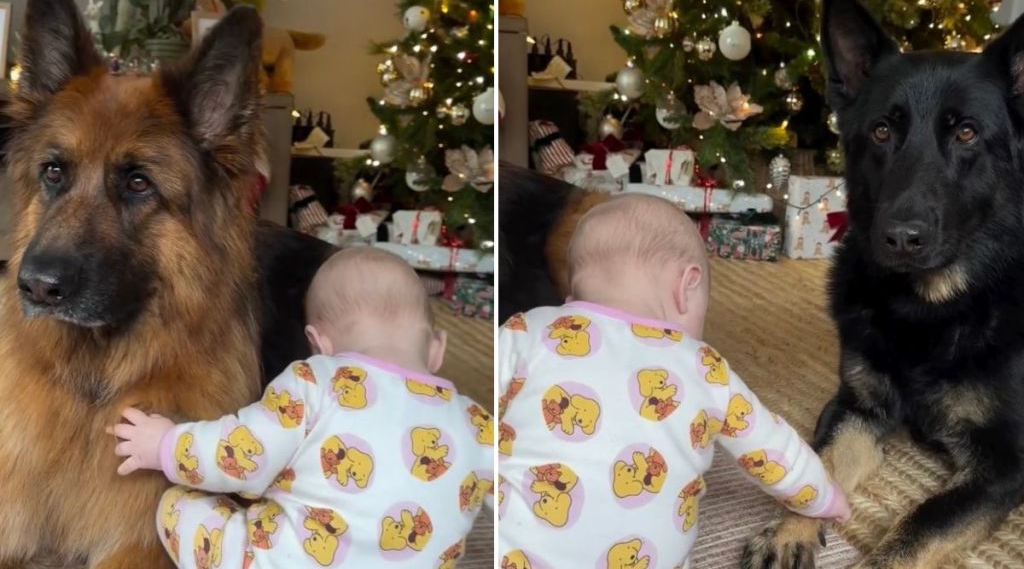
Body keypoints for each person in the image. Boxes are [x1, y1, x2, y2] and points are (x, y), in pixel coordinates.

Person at [497, 194, 849, 568]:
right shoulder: (704, 366)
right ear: (687, 286)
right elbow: (775, 452)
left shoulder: (526, 329)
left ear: (572, 292)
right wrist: (826, 498)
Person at [110, 247, 493, 568]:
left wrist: (165, 444)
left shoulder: (316, 381)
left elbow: (243, 455)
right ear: (439, 348)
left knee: (179, 504)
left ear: (317, 342)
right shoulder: (477, 424)